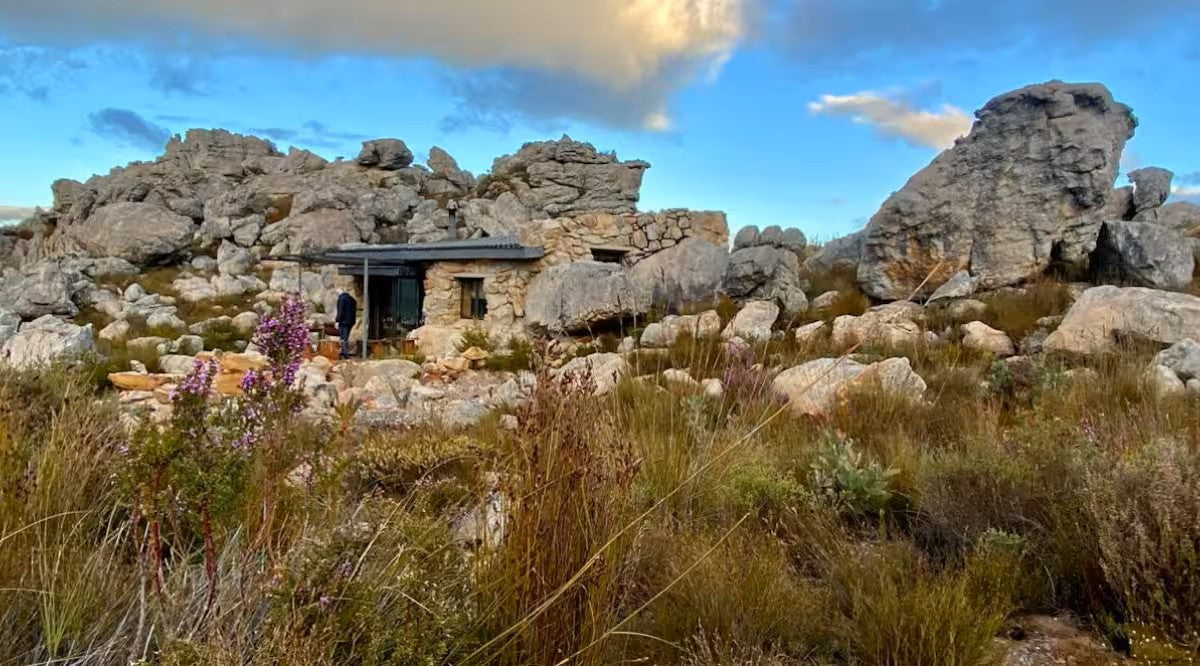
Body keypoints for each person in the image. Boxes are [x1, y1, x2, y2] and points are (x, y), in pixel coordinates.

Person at [335, 290, 358, 359]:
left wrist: (337, 320)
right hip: (350, 321)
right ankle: (343, 351)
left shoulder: (341, 299)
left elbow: (340, 310)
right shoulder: (352, 299)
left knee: (343, 338)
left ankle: (345, 353)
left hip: (343, 321)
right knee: (346, 337)